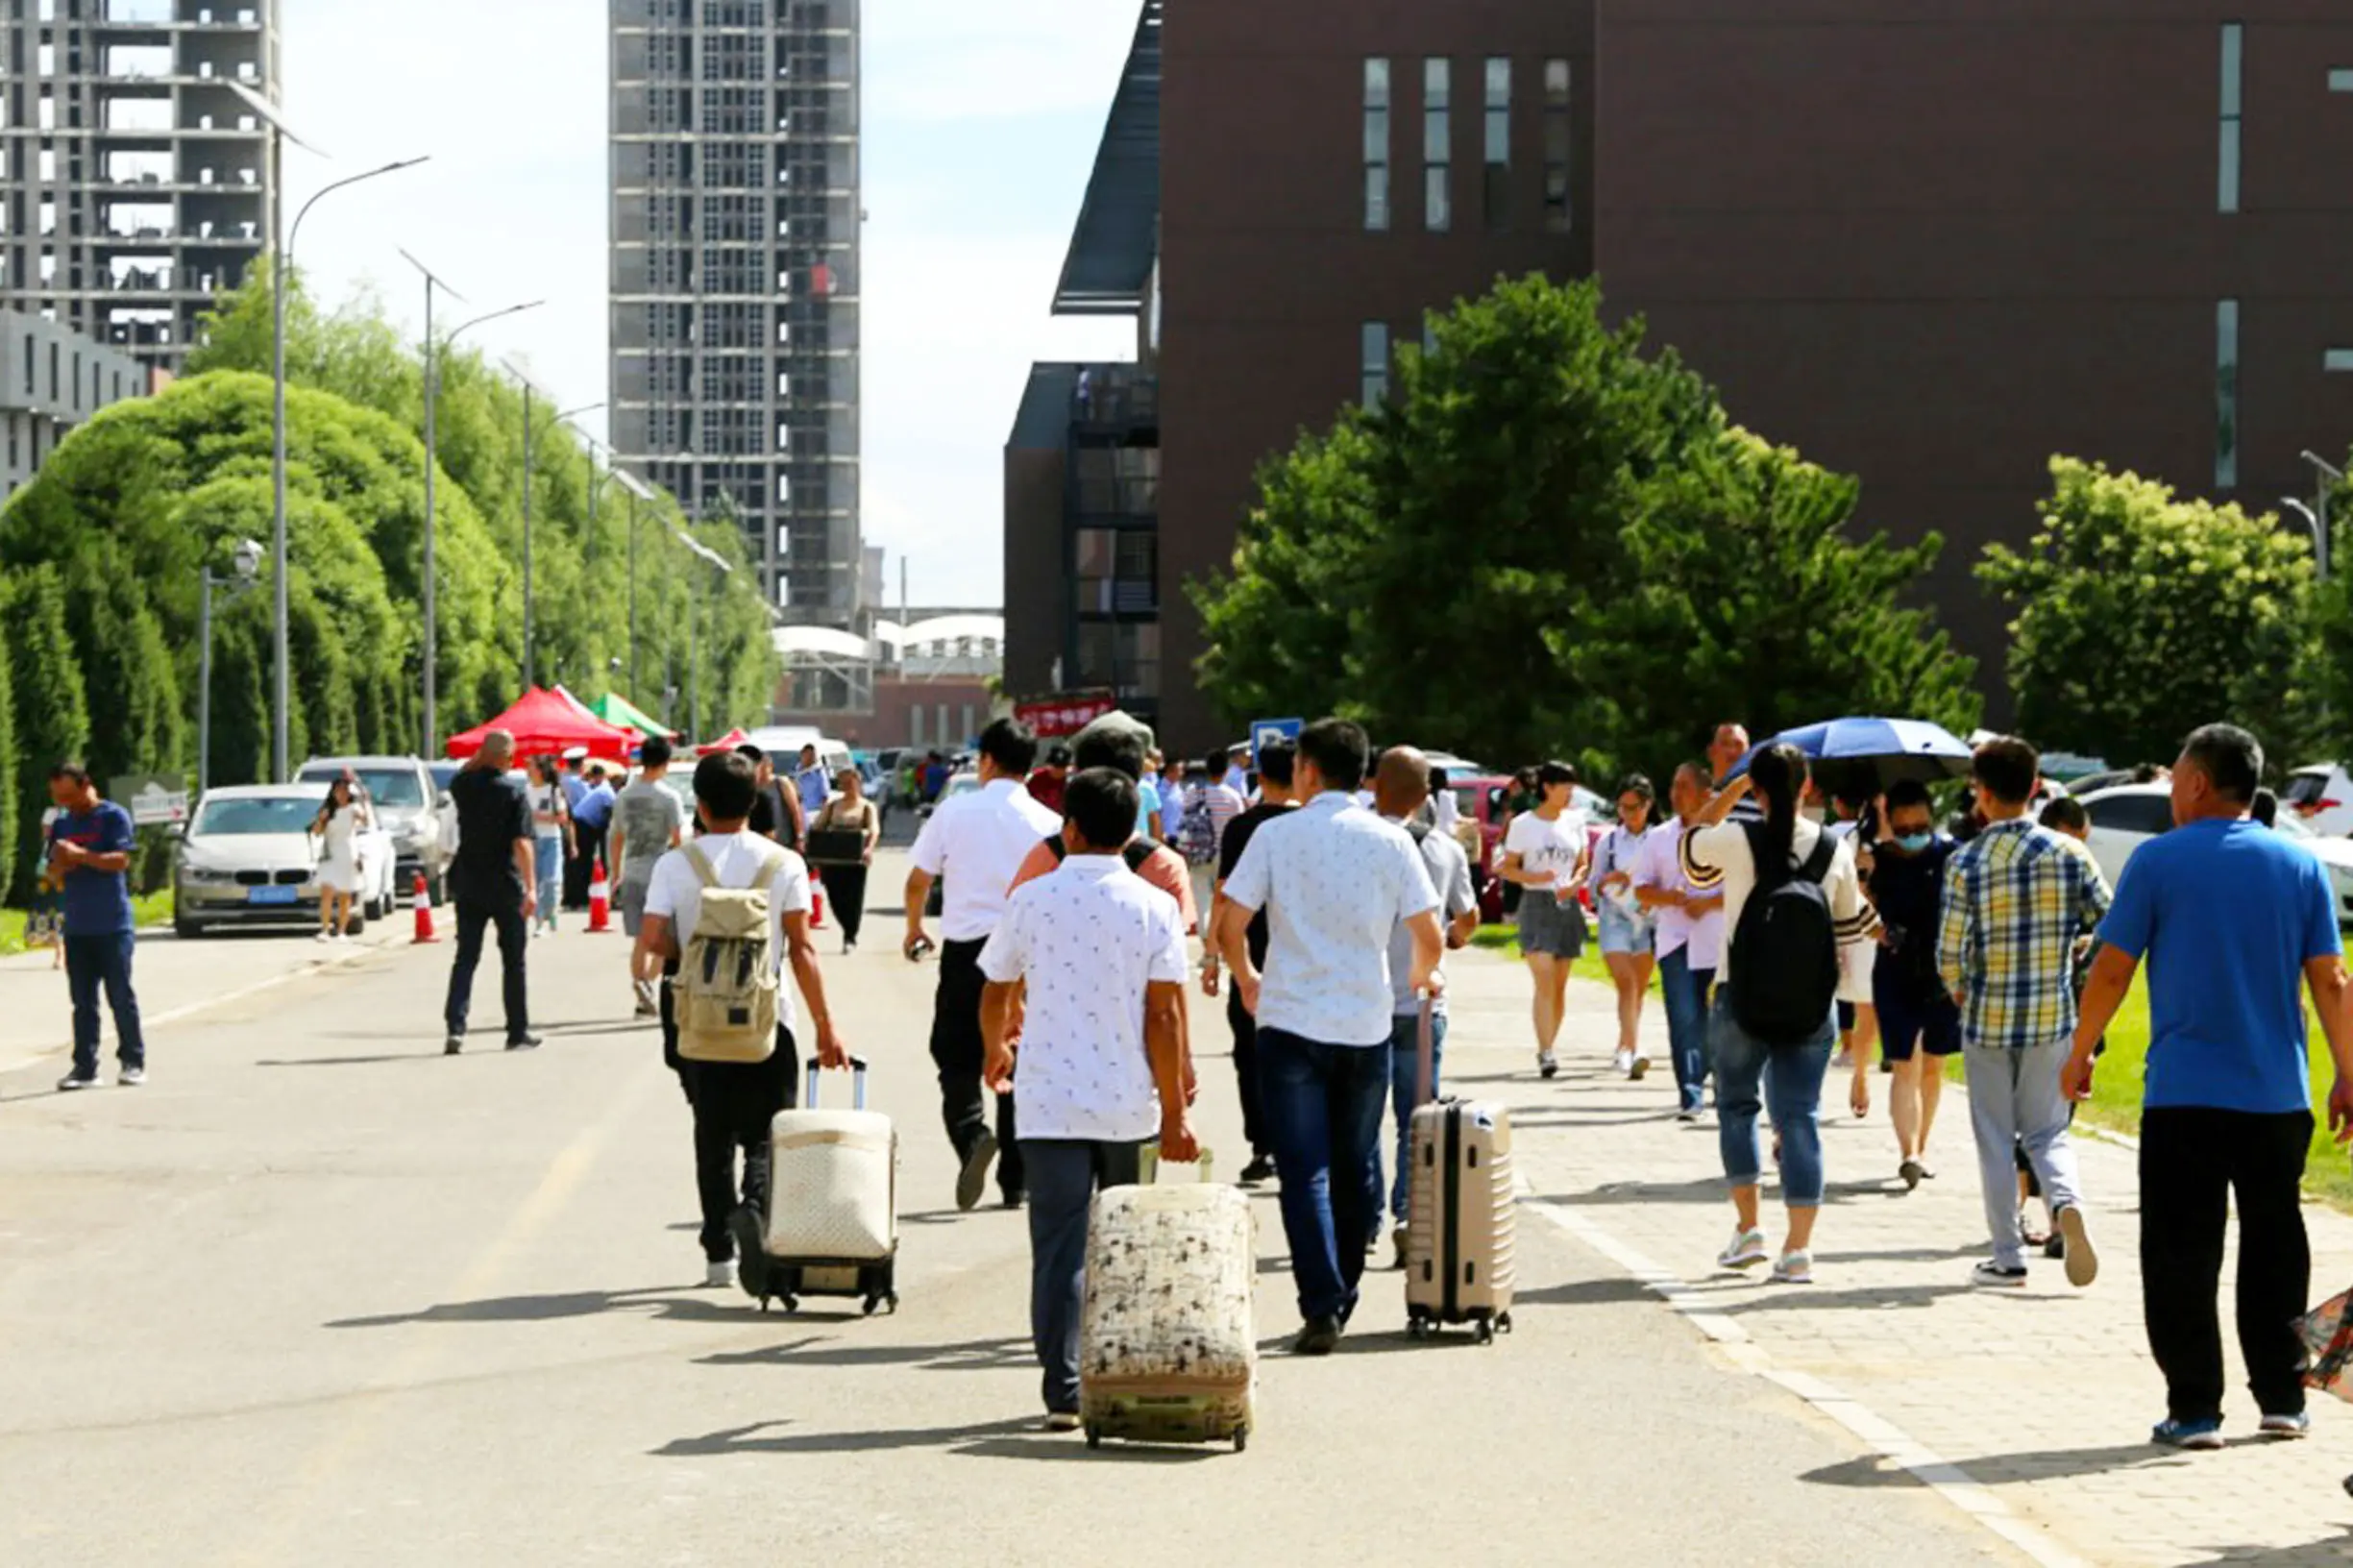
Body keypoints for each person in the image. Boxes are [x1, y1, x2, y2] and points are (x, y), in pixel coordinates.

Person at [2069, 723, 2353, 1450]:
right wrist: (2348, 1073)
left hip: (2184, 1096)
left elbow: (2110, 967)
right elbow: (2330, 979)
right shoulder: (2296, 866)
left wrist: (2081, 1048)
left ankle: (2194, 1409)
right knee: (2274, 1245)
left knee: (2179, 1253)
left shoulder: (2157, 861)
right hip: (2274, 1096)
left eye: (2174, 778)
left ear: (2198, 782)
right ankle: (2282, 1398)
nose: (2169, 792)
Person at [1213, 718, 1442, 1355]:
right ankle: (1342, 1295)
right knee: (1354, 1164)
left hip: (1288, 1020)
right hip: (1365, 1021)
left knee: (1301, 1170)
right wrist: (1423, 977)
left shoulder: (1275, 835)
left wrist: (1246, 977)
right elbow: (1429, 935)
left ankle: (1320, 1305)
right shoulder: (1391, 842)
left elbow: (1230, 923)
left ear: (1307, 770)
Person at [979, 768, 1198, 1432]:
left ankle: (1062, 1389)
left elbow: (995, 985)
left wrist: (996, 1046)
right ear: (1131, 830)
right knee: (1125, 1243)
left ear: (1067, 828)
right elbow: (1165, 1016)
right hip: (1128, 1104)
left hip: (1047, 1101)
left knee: (1059, 1246)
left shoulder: (1030, 900)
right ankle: (1121, 1372)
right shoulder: (1154, 906)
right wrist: (1176, 1112)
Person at [631, 749, 849, 1286]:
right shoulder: (783, 864)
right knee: (767, 1134)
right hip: (769, 1021)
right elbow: (802, 950)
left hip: (697, 1023)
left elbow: (654, 939)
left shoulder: (675, 864)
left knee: (711, 1133)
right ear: (754, 802)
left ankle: (718, 1255)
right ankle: (754, 1206)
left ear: (699, 807)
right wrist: (826, 1025)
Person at [1681, 744, 1876, 1286]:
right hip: (1810, 1005)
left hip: (1740, 996)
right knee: (1799, 1117)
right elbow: (1849, 925)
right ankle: (1799, 1249)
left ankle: (1748, 1230)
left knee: (1738, 1107)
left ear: (1758, 789)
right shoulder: (1832, 848)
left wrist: (1731, 792)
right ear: (1809, 786)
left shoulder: (1735, 837)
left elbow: (1690, 855)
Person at [1936, 735, 2110, 1291]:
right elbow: (2110, 921)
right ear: (2036, 787)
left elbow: (1948, 951)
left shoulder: (1967, 860)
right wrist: (2078, 952)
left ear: (1980, 794)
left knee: (1993, 1136)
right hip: (2052, 1016)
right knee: (2048, 1131)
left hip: (1987, 1017)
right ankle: (2065, 1202)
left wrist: (1960, 988)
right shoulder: (2070, 853)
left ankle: (2007, 1255)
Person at [904, 718, 1063, 1210]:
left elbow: (917, 880)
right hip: (1026, 955)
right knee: (1016, 1056)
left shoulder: (954, 812)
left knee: (954, 1053)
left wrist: (914, 926)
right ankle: (1016, 1181)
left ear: (987, 760)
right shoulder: (1049, 823)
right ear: (1030, 766)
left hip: (967, 949)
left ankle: (973, 1134)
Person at [1368, 747, 1480, 1264]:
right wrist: (1452, 941)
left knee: (1361, 1115)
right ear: (1427, 797)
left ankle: (1364, 1217)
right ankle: (1408, 1213)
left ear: (1375, 788)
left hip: (1362, 1001)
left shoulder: (1358, 844)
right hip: (1422, 1001)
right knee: (1416, 1115)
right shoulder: (1445, 849)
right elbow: (1469, 915)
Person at [1854, 778, 1963, 1189]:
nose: (1913, 837)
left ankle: (1924, 1144)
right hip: (1897, 968)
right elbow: (1860, 913)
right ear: (1889, 823)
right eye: (1903, 830)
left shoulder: (1952, 855)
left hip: (1941, 971)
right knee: (1903, 1061)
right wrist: (1865, 885)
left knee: (1934, 1063)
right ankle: (1908, 1153)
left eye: (1921, 828)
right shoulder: (1878, 861)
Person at [1206, 741, 1297, 1186]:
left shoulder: (1243, 827)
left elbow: (1223, 894)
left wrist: (1211, 954)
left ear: (1260, 779)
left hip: (1248, 951)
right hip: (1299, 957)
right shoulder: (1309, 825)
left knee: (1250, 1053)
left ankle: (1262, 1145)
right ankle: (1294, 1140)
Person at [47, 764, 146, 1091]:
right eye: (58, 797)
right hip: (77, 926)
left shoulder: (112, 817)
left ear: (85, 785)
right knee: (83, 1002)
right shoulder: (62, 822)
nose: (65, 803)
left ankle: (133, 1061)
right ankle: (85, 1068)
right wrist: (59, 863)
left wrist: (81, 855)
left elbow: (120, 861)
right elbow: (51, 874)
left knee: (120, 994)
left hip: (113, 923)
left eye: (69, 795)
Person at [443, 730, 543, 1056]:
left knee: (466, 958)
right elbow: (521, 844)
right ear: (507, 759)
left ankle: (455, 1028)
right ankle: (517, 1030)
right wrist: (530, 887)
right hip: (504, 883)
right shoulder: (513, 794)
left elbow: (464, 772)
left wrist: (483, 756)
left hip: (469, 882)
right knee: (513, 961)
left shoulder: (462, 787)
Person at [1635, 764, 1726, 1119]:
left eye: (1685, 786)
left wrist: (1709, 902)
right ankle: (1690, 1094)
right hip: (1675, 940)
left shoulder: (1726, 835)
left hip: (1717, 939)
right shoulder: (1658, 837)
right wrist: (1670, 898)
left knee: (1722, 1018)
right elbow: (1641, 887)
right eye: (1673, 786)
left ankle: (1725, 1086)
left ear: (1707, 794)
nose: (1676, 793)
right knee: (1684, 1016)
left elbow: (1745, 888)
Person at [1497, 760, 1588, 1079]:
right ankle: (1545, 1051)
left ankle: (1550, 1043)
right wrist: (1535, 876)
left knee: (1560, 984)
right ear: (1547, 788)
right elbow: (1506, 868)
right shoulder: (1524, 824)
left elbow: (1582, 864)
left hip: (1567, 904)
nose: (1569, 794)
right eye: (1565, 787)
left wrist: (1575, 882)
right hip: (1535, 903)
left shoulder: (1576, 821)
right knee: (1544, 977)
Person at [610, 737, 688, 1016]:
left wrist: (615, 874)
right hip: (661, 873)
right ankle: (648, 982)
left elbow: (616, 837)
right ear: (665, 763)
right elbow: (679, 839)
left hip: (631, 871)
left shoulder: (624, 796)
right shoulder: (669, 797)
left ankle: (640, 983)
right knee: (665, 938)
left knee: (640, 938)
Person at [1591, 774, 1659, 1079]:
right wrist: (1609, 880)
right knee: (1626, 982)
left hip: (1648, 918)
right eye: (1623, 807)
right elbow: (1593, 884)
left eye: (1634, 807)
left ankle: (1624, 1044)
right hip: (1614, 916)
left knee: (1638, 988)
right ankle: (1632, 1050)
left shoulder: (1660, 837)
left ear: (1648, 806)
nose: (1628, 814)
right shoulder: (1609, 842)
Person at [808, 765, 881, 953]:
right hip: (833, 861)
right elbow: (818, 827)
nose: (847, 786)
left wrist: (869, 849)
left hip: (855, 861)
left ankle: (850, 936)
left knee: (854, 899)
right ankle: (846, 927)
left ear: (858, 783)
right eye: (844, 782)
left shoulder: (866, 806)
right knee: (835, 898)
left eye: (851, 782)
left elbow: (874, 830)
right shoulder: (833, 805)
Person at [1177, 747, 1246, 929]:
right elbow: (1238, 828)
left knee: (1201, 898)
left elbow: (1184, 819)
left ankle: (1207, 941)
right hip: (1224, 853)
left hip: (1198, 851)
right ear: (1225, 770)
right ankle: (1220, 941)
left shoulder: (1193, 792)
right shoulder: (1233, 797)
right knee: (1223, 899)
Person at [311, 772, 373, 943]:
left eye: (345, 790)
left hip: (347, 852)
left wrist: (365, 801)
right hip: (330, 853)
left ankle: (341, 931)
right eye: (338, 790)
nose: (342, 794)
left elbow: (367, 821)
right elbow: (316, 832)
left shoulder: (354, 809)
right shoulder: (327, 810)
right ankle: (324, 929)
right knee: (327, 892)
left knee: (345, 894)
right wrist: (320, 821)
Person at [525, 755, 572, 937]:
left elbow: (563, 818)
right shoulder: (526, 790)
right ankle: (539, 922)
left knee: (551, 881)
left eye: (532, 766)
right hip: (532, 840)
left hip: (551, 840)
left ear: (541, 770)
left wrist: (539, 817)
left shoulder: (553, 791)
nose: (529, 770)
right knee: (535, 883)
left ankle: (551, 912)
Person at [744, 744, 805, 852]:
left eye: (766, 765)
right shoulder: (751, 786)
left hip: (783, 841)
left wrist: (799, 836)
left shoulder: (781, 783)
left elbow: (795, 810)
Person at [574, 762, 616, 898]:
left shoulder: (599, 789)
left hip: (580, 822)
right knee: (585, 860)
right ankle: (582, 894)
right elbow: (610, 814)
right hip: (583, 825)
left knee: (583, 860)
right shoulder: (607, 792)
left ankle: (580, 894)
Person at [1026, 744, 1072, 815]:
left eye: (1062, 767)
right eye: (1055, 766)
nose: (1058, 770)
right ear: (1048, 764)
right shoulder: (1035, 777)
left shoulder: (1070, 782)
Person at [794, 743, 830, 819]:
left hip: (814, 812)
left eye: (813, 755)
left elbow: (825, 796)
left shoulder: (819, 772)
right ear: (802, 754)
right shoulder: (795, 772)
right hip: (799, 813)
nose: (811, 758)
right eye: (808, 755)